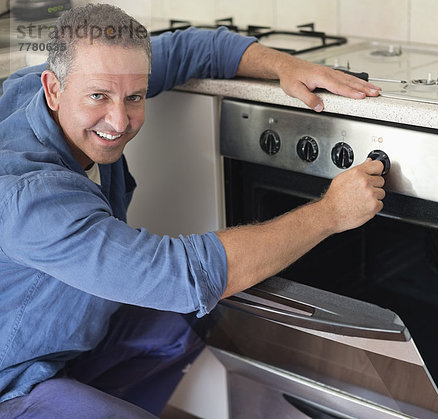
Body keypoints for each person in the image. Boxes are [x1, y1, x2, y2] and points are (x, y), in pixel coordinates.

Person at [0, 4, 384, 417]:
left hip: (60, 332)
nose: (119, 120)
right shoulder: (30, 197)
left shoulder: (76, 78)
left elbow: (192, 48)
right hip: (13, 379)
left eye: (134, 97)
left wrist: (283, 66)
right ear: (53, 89)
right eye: (99, 97)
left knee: (179, 328)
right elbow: (184, 275)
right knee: (187, 297)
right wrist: (330, 213)